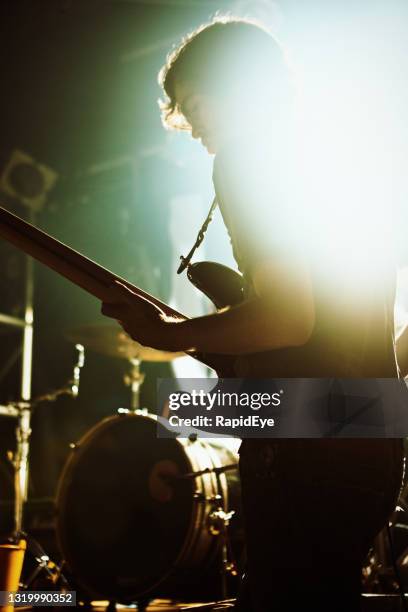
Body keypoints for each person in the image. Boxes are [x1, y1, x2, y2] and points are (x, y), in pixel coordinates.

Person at [101, 18, 405, 612]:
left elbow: (289, 319)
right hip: (374, 427)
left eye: (195, 104)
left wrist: (172, 334)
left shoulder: (247, 159)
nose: (193, 128)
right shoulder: (338, 159)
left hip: (308, 438)